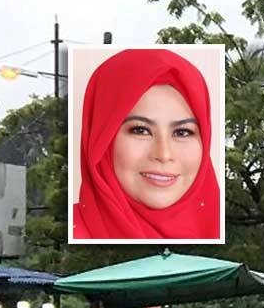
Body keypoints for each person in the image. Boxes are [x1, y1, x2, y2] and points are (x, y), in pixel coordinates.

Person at [72, 48, 221, 240]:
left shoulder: (218, 232)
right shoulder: (75, 231)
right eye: (140, 130)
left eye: (182, 132)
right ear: (102, 142)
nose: (164, 154)